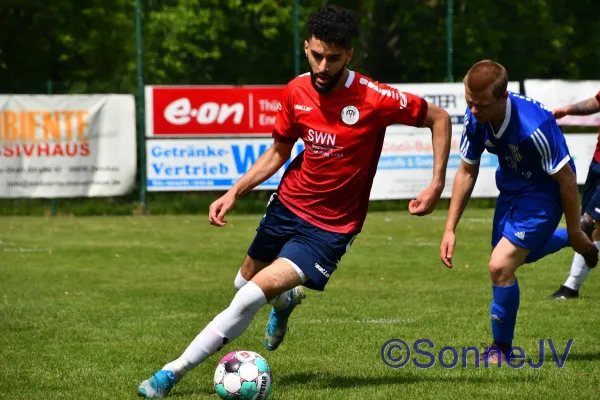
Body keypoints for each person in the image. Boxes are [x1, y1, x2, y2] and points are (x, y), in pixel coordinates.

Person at [137, 5, 452, 398]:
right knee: (243, 280)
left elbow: (439, 118)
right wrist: (234, 191)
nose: (323, 66)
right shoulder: (296, 91)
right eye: (317, 55)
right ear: (306, 48)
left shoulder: (374, 97)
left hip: (330, 227)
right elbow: (277, 152)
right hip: (286, 206)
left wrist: (436, 183)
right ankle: (285, 302)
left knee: (248, 296)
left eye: (333, 59)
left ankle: (171, 373)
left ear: (348, 56)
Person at [439, 60, 598, 364]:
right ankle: (569, 237)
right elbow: (466, 171)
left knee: (500, 267)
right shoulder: (475, 119)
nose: (474, 111)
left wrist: (575, 228)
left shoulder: (534, 125)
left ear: (503, 97)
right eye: (469, 103)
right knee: (517, 257)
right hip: (511, 191)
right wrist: (449, 228)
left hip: (543, 195)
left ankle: (501, 349)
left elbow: (565, 178)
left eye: (481, 105)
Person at [549, 91, 600, 299]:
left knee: (586, 224)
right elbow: (597, 102)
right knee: (592, 230)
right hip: (597, 163)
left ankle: (570, 286)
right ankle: (571, 288)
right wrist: (567, 110)